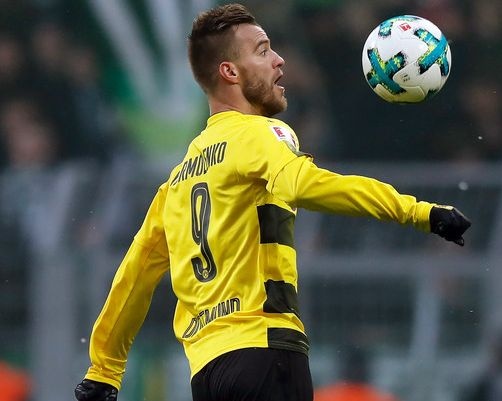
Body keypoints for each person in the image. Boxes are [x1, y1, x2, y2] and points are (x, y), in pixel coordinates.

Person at [73, 3, 471, 401]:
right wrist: (421, 213)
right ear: (230, 72)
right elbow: (306, 184)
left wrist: (103, 370)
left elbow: (134, 276)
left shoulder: (178, 180)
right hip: (265, 351)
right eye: (263, 51)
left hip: (207, 372)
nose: (279, 60)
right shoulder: (261, 135)